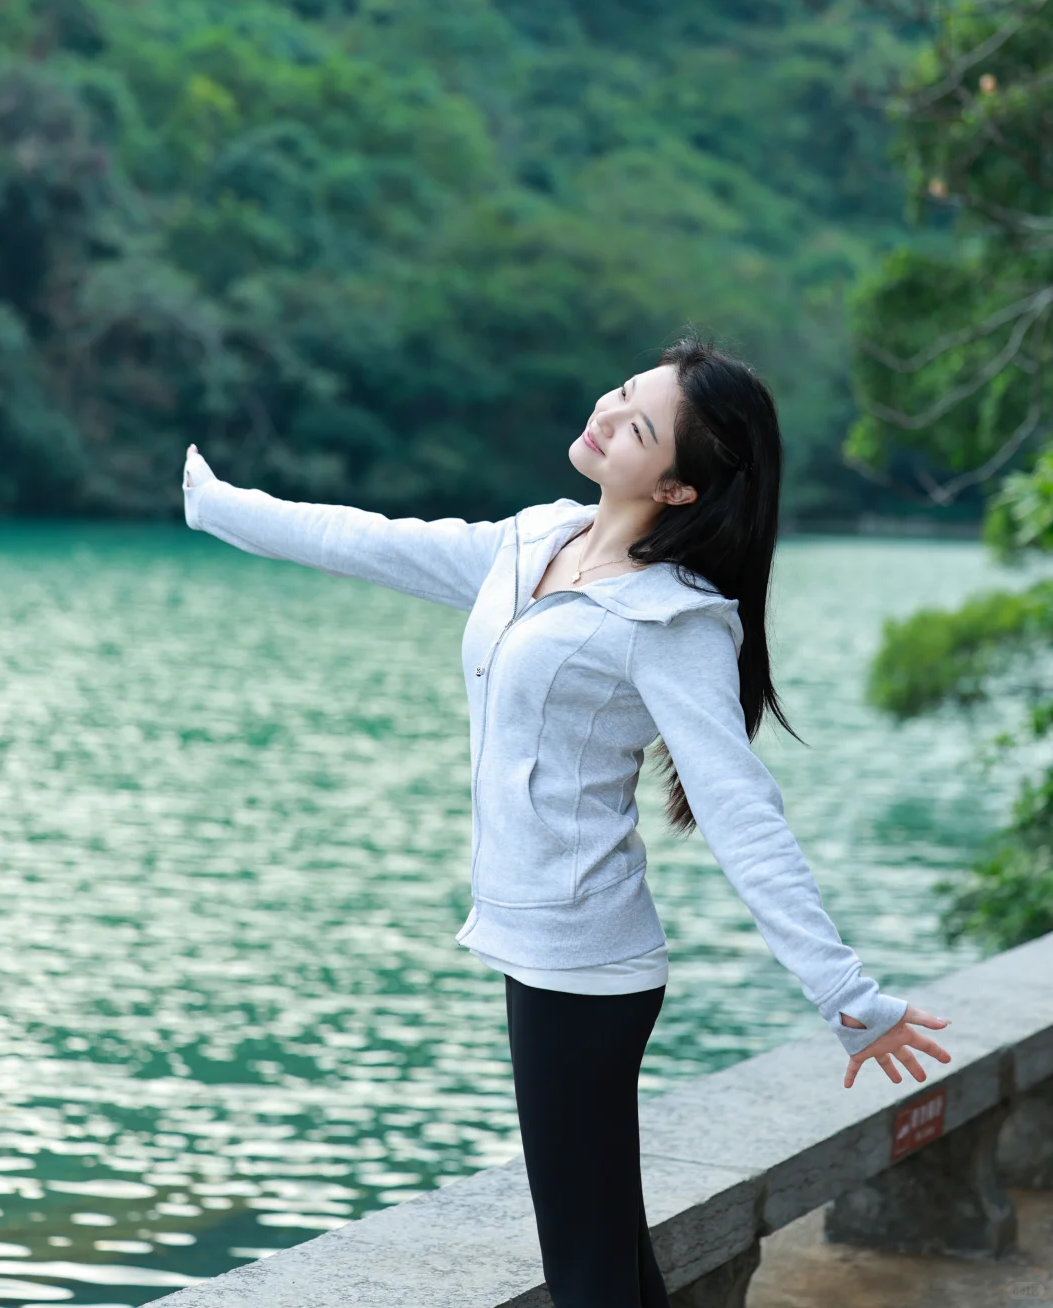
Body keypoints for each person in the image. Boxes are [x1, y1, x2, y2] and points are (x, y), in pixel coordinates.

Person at [180, 328, 952, 1308]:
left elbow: (742, 815)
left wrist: (843, 992)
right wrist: (219, 506)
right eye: (622, 390)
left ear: (678, 487)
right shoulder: (534, 543)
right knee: (610, 1256)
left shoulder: (670, 622)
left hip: (586, 971)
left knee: (586, 1270)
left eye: (635, 423)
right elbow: (364, 539)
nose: (604, 413)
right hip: (547, 955)